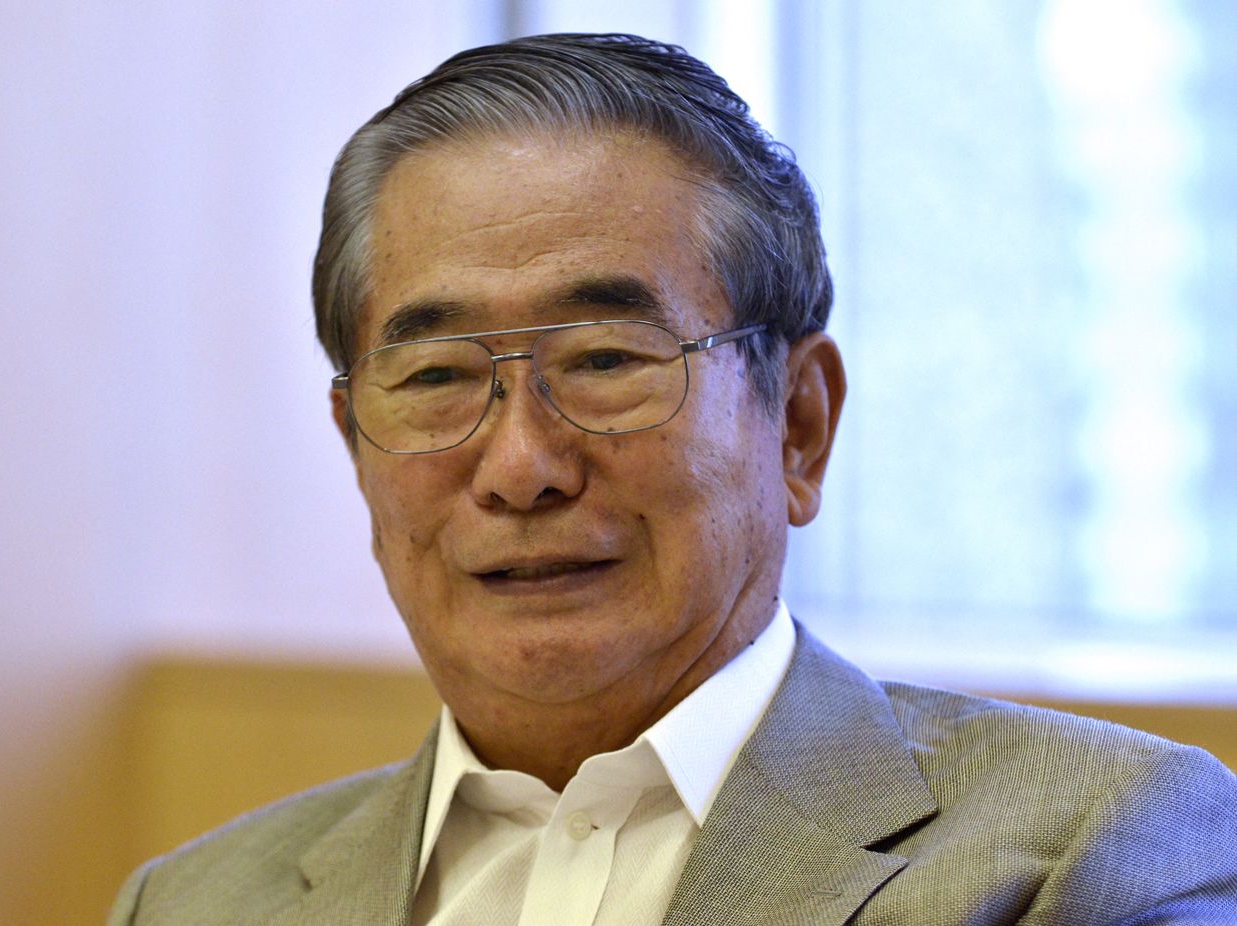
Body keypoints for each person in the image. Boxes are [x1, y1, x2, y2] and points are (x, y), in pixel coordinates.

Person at [108, 33, 1237, 925]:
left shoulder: (1091, 853)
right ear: (355, 442)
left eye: (606, 360)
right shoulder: (192, 902)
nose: (521, 468)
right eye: (437, 376)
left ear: (799, 427)